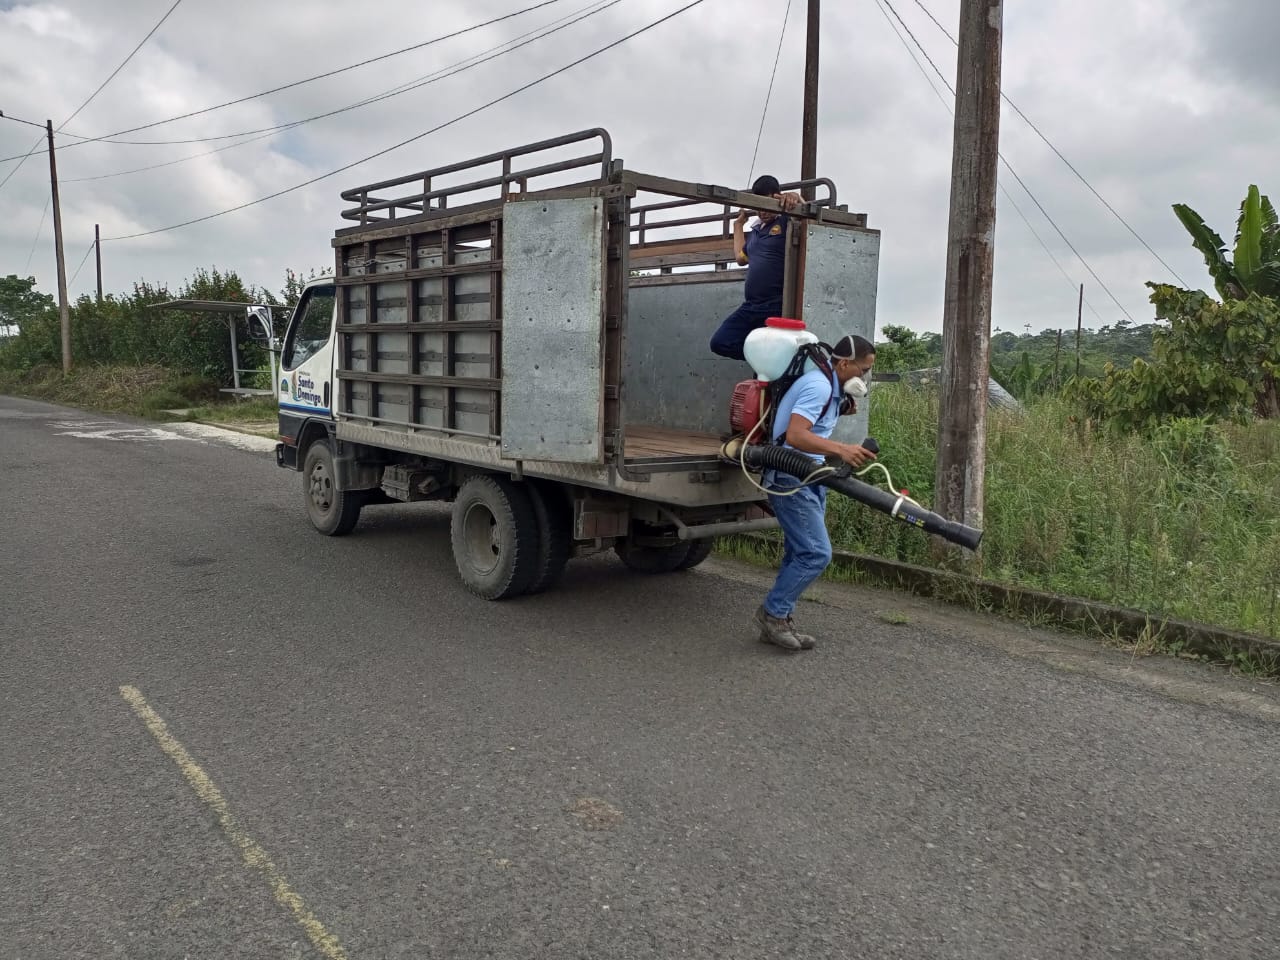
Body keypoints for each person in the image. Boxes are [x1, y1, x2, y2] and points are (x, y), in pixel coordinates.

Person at [755, 334, 877, 652]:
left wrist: (842, 405)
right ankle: (773, 615)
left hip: (809, 476)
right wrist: (842, 449)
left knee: (799, 552)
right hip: (790, 477)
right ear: (844, 364)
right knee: (815, 553)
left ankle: (780, 618)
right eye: (863, 370)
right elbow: (795, 436)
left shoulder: (830, 388)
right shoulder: (819, 386)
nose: (865, 378)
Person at [709, 175, 804, 360]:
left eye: (767, 205)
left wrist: (795, 197)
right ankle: (764, 359)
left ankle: (769, 361)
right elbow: (740, 258)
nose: (762, 212)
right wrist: (738, 225)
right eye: (758, 207)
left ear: (777, 198)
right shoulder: (756, 231)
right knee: (720, 342)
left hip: (775, 305)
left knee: (769, 363)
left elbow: (808, 221)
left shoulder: (786, 222)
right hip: (751, 305)